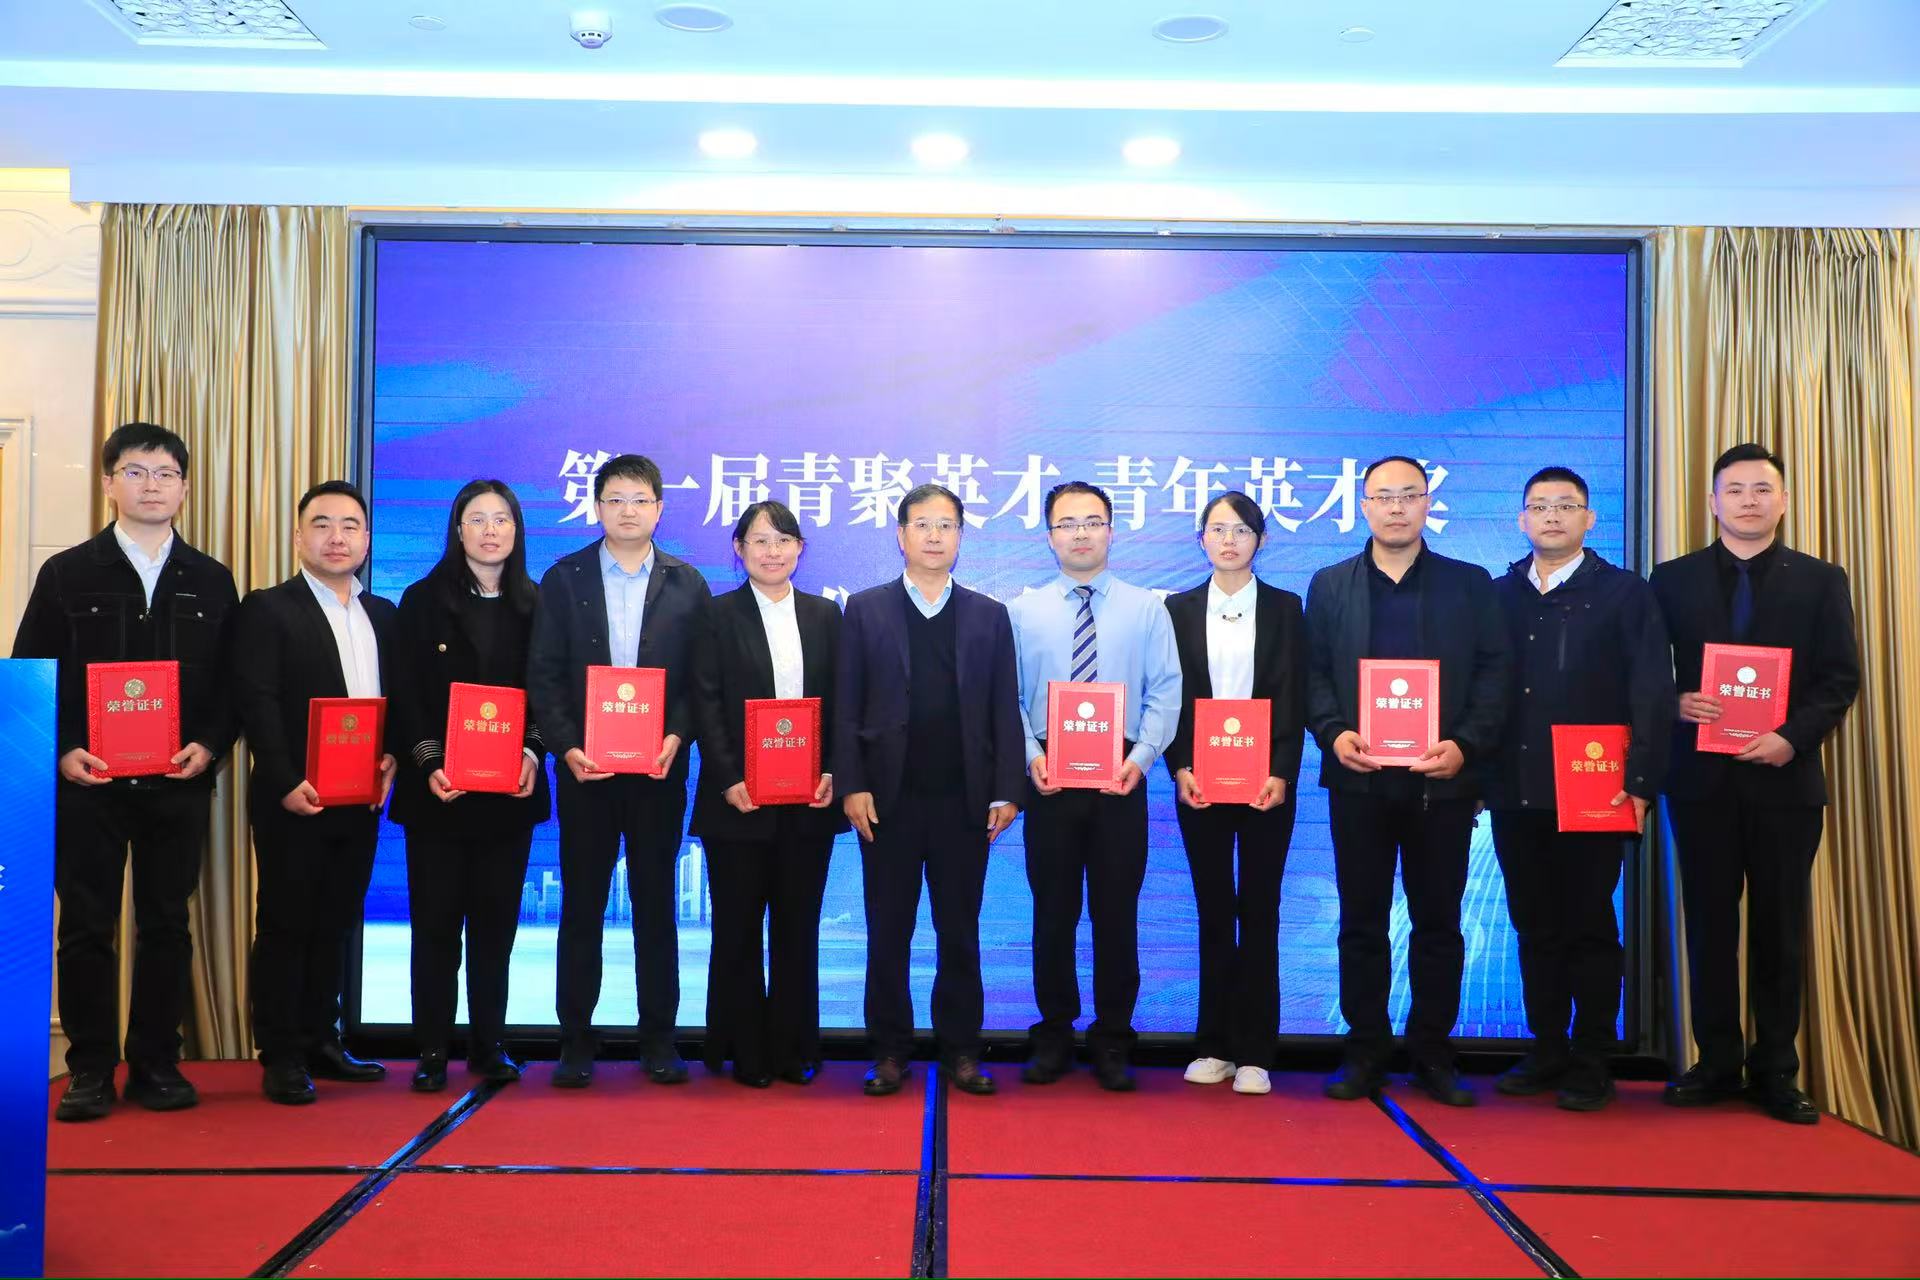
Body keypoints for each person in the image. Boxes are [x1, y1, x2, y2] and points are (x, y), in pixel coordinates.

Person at [13, 422, 239, 1122]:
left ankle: (155, 1063)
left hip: (178, 784)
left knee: (167, 924)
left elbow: (232, 685)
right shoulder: (67, 573)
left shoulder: (211, 579)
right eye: (136, 472)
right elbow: (31, 674)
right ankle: (89, 1069)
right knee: (86, 927)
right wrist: (62, 750)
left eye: (166, 474)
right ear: (109, 482)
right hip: (90, 785)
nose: (151, 486)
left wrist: (209, 745)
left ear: (185, 488)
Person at [1651, 443, 1859, 1125]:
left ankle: (1776, 1069)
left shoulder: (1821, 580)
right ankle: (1715, 1062)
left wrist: (1791, 738)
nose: (1748, 500)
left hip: (1785, 783)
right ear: (1713, 502)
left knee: (1781, 928)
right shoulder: (1672, 579)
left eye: (1762, 489)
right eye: (1734, 489)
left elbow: (1840, 678)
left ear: (1784, 501)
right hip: (1700, 782)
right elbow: (1645, 670)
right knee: (1710, 926)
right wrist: (1675, 701)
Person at [1305, 455, 1511, 1107]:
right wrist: (1334, 732)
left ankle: (1432, 1051)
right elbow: (1313, 673)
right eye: (1383, 496)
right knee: (1361, 922)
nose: (1396, 507)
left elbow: (1495, 672)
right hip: (1358, 782)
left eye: (1408, 495)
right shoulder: (1330, 585)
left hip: (1442, 785)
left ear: (1427, 504)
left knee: (1438, 923)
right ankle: (1364, 1049)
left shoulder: (1469, 584)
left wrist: (1465, 746)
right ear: (1363, 505)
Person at [1486, 466, 1673, 1111]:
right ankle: (1547, 1048)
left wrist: (1641, 780)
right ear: (1522, 519)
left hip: (1596, 789)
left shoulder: (1624, 593)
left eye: (1566, 506)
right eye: (1539, 506)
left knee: (1589, 923)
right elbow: (1482, 690)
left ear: (1589, 519)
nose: (1552, 517)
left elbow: (1652, 689)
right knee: (1533, 924)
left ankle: (1593, 1056)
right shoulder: (1499, 594)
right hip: (1515, 787)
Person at [526, 453, 713, 1088]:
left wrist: (677, 734)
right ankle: (575, 1039)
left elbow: (699, 680)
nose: (627, 511)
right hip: (587, 774)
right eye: (615, 499)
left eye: (640, 500)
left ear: (659, 508)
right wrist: (565, 746)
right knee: (581, 906)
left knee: (657, 906)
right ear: (597, 507)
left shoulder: (688, 583)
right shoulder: (564, 578)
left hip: (659, 772)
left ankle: (659, 1038)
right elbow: (545, 674)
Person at [834, 483, 1024, 1097]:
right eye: (922, 524)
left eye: (946, 525)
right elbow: (845, 706)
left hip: (963, 804)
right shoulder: (865, 609)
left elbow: (1004, 708)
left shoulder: (988, 615)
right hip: (887, 803)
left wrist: (1007, 790)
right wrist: (852, 785)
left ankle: (962, 1050)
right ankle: (890, 1051)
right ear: (901, 535)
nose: (934, 536)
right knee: (887, 932)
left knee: (959, 933)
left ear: (961, 536)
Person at [1009, 480, 1181, 1092]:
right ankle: (1054, 1034)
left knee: (1116, 914)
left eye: (1092, 522)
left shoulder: (1146, 608)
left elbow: (1165, 690)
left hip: (1121, 778)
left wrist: (1142, 758)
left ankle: (1113, 1037)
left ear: (1111, 530)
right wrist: (1031, 756)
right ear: (1049, 536)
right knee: (1052, 913)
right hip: (1050, 779)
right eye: (1067, 523)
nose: (1080, 533)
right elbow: (1008, 696)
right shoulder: (1023, 611)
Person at [233, 479, 398, 1105]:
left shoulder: (382, 614)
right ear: (299, 536)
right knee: (286, 923)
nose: (337, 537)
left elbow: (394, 699)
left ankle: (321, 1039)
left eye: (350, 525)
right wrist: (283, 780)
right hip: (294, 798)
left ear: (366, 539)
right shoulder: (268, 608)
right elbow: (257, 701)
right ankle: (280, 1054)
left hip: (359, 798)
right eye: (322, 524)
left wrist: (391, 756)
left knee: (335, 921)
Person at [389, 480, 550, 1092]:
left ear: (516, 530)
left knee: (494, 930)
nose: (489, 530)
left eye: (501, 519)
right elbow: (405, 691)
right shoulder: (422, 599)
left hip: (508, 797)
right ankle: (432, 1048)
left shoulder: (538, 604)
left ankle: (489, 1045)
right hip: (439, 795)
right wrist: (429, 760)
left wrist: (533, 751)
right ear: (457, 530)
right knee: (434, 927)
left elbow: (551, 690)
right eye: (476, 519)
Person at [690, 501, 846, 1088]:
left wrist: (832, 770)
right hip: (738, 801)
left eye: (783, 540)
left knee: (796, 928)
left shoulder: (826, 616)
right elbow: (705, 702)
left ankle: (793, 1046)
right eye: (759, 540)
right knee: (736, 928)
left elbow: (843, 700)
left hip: (809, 801)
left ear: (800, 549)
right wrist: (728, 776)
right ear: (739, 549)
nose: (772, 551)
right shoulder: (715, 615)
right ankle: (745, 1049)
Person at [1162, 492, 1306, 1097]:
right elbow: (1167, 694)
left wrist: (1282, 771)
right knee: (1214, 909)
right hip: (1200, 781)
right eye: (1218, 530)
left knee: (1261, 909)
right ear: (1201, 539)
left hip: (1266, 784)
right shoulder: (1176, 608)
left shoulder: (1286, 608)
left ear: (1261, 540)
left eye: (1242, 530)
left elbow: (1295, 695)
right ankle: (1214, 1044)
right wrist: (1179, 766)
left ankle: (1256, 1051)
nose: (1229, 540)